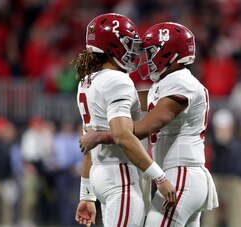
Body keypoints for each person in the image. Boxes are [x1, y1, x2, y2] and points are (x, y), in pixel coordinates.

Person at [80, 22, 219, 226]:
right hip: (182, 174)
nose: (147, 58)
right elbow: (131, 100)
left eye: (152, 52)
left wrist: (101, 135)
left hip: (182, 173)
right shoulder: (168, 82)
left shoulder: (181, 82)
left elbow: (144, 127)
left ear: (169, 54)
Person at [71, 13, 177, 227]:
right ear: (112, 46)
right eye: (129, 43)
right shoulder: (118, 81)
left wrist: (87, 193)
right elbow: (122, 136)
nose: (134, 50)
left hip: (102, 172)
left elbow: (89, 143)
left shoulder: (87, 81)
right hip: (121, 175)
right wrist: (160, 177)